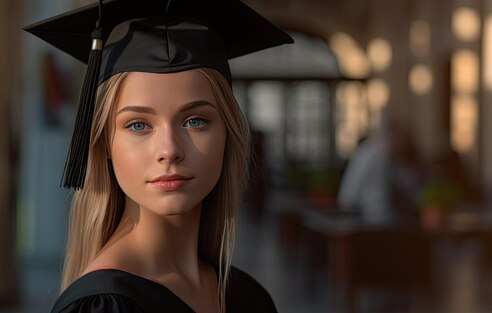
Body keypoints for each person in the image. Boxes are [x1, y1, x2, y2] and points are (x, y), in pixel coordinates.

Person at [24, 0, 293, 312]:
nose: (169, 150)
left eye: (195, 121)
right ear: (104, 145)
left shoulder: (248, 298)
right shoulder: (102, 307)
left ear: (228, 135)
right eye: (138, 125)